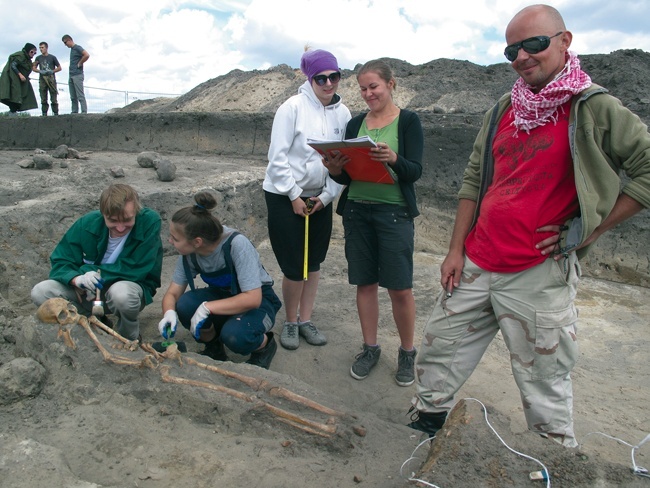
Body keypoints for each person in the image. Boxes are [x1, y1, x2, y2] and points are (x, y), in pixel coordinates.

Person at [408, 4, 650, 447]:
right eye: (511, 49)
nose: (521, 56)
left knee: (545, 377)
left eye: (534, 44)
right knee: (440, 347)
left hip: (539, 271)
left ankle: (553, 456)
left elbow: (646, 167)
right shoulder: (504, 107)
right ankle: (426, 423)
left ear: (565, 41)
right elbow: (473, 179)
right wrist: (455, 249)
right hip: (479, 259)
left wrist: (592, 230)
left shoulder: (593, 107)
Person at [325, 59, 423, 386]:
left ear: (390, 84)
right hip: (357, 213)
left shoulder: (408, 122)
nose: (368, 94)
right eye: (363, 88)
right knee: (364, 284)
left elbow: (415, 172)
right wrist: (335, 166)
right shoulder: (355, 125)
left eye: (374, 87)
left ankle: (407, 352)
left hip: (394, 215)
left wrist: (394, 159)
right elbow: (342, 176)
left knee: (400, 288)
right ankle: (370, 348)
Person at [263, 47, 351, 351]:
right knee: (293, 265)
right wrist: (294, 195)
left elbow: (344, 162)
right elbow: (277, 158)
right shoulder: (291, 108)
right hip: (284, 196)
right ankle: (290, 320)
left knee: (313, 262)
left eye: (334, 76)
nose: (328, 83)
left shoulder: (343, 113)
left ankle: (305, 319)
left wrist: (327, 197)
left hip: (320, 199)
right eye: (321, 78)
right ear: (310, 78)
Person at [157, 191, 282, 369]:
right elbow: (173, 293)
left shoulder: (236, 245)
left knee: (235, 335)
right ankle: (214, 347)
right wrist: (168, 313)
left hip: (260, 301)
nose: (170, 241)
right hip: (223, 296)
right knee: (184, 305)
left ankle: (264, 346)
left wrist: (207, 307)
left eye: (175, 238)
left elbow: (253, 299)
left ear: (197, 242)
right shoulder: (189, 254)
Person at [31, 184, 163, 341]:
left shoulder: (149, 222)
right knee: (41, 292)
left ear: (136, 211)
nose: (120, 228)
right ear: (103, 214)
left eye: (127, 220)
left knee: (121, 295)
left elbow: (136, 267)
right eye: (113, 221)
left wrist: (88, 270)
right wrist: (76, 280)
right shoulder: (86, 224)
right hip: (87, 295)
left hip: (127, 288)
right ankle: (94, 322)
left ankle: (129, 338)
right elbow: (61, 260)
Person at [0, 43, 38, 115]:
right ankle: (12, 110)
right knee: (14, 94)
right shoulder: (20, 56)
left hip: (20, 79)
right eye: (31, 52)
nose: (33, 54)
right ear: (27, 50)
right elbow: (13, 65)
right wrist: (20, 75)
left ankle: (13, 111)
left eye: (35, 52)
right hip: (12, 77)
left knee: (22, 93)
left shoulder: (27, 59)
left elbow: (25, 68)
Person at [61, 34, 89, 114]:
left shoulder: (77, 48)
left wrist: (80, 63)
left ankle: (84, 112)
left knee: (80, 95)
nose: (65, 45)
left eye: (65, 42)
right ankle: (74, 112)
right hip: (71, 75)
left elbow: (86, 55)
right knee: (73, 96)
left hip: (78, 75)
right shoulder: (72, 49)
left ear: (69, 40)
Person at [32, 41, 62, 116]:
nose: (41, 49)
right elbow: (33, 68)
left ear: (46, 48)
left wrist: (52, 71)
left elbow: (59, 68)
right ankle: (44, 113)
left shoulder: (52, 57)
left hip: (51, 79)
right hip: (42, 80)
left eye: (42, 47)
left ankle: (55, 113)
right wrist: (40, 71)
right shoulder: (38, 58)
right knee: (43, 98)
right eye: (40, 48)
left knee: (53, 98)